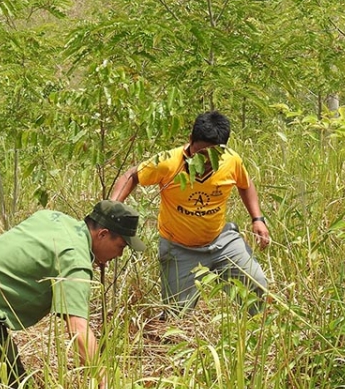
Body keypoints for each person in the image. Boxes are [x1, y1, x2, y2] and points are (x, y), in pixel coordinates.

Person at [0, 200, 145, 389]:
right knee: (10, 383)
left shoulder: (54, 218)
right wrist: (103, 377)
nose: (119, 254)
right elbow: (77, 328)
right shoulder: (74, 259)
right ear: (103, 234)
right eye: (121, 246)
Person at [110, 111, 270, 317]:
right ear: (190, 141)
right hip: (179, 248)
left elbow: (245, 184)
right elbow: (132, 175)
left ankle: (255, 336)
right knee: (177, 316)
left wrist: (257, 218)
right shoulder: (169, 162)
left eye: (213, 155)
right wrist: (112, 208)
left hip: (221, 240)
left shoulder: (232, 161)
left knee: (257, 286)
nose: (205, 161)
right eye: (200, 153)